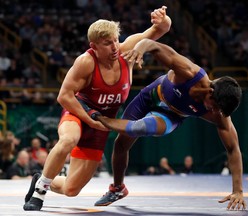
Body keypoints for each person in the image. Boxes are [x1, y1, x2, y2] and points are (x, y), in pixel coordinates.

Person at [23, 6, 171, 211]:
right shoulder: (86, 61)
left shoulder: (127, 51)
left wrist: (162, 19)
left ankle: (42, 178)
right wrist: (88, 118)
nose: (114, 47)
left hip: (100, 123)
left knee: (71, 189)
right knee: (68, 140)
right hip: (77, 112)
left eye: (115, 40)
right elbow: (64, 96)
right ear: (94, 46)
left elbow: (161, 29)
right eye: (107, 43)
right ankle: (40, 192)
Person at [93, 39, 246, 210]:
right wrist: (138, 50)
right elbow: (152, 44)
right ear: (210, 92)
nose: (216, 113)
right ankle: (118, 188)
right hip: (150, 97)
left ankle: (99, 118)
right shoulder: (188, 72)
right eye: (216, 107)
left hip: (171, 116)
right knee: (120, 145)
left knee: (139, 128)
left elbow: (233, 149)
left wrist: (238, 190)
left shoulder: (220, 115)